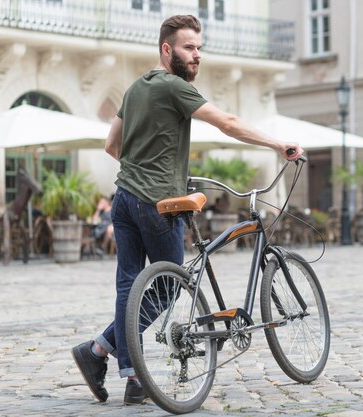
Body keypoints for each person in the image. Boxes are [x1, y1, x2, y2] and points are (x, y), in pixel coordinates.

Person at [71, 15, 303, 406]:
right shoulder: (174, 87)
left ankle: (128, 375)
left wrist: (146, 163)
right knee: (165, 291)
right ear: (167, 50)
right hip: (157, 203)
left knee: (130, 286)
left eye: (199, 48)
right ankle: (98, 352)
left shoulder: (135, 87)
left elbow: (112, 146)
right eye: (188, 48)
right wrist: (279, 145)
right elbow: (228, 123)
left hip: (124, 197)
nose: (197, 56)